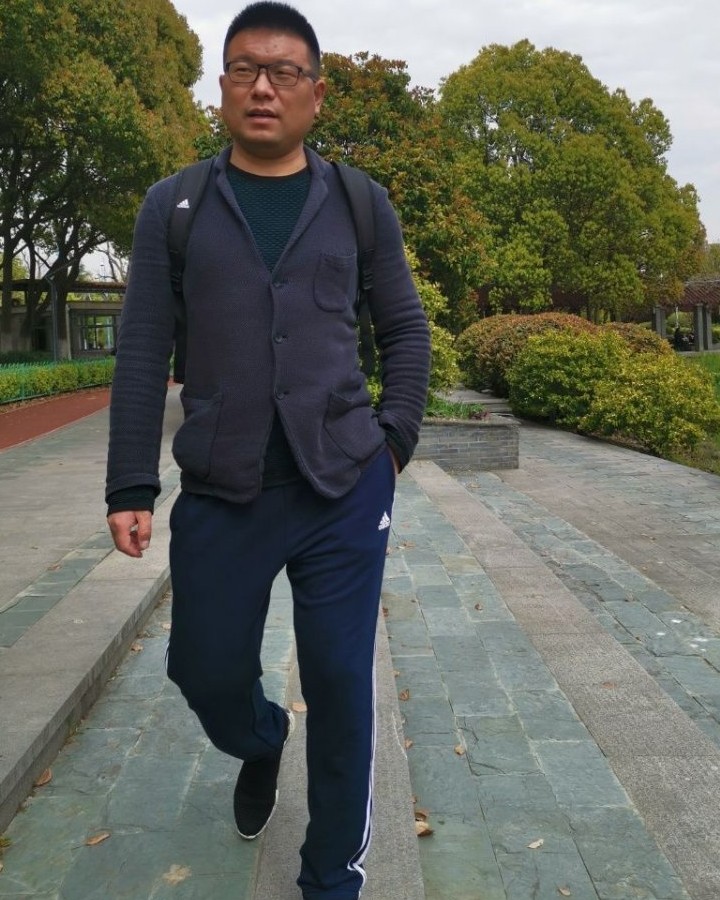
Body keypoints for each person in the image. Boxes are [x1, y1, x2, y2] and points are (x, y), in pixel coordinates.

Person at [105, 3, 431, 897]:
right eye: (245, 69)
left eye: (284, 72)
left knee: (340, 681)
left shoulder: (359, 203)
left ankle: (331, 879)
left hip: (342, 487)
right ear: (222, 89)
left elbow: (405, 330)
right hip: (223, 486)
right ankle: (260, 740)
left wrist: (393, 444)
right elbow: (142, 349)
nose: (263, 87)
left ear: (314, 95)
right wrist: (130, 482)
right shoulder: (174, 206)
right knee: (203, 671)